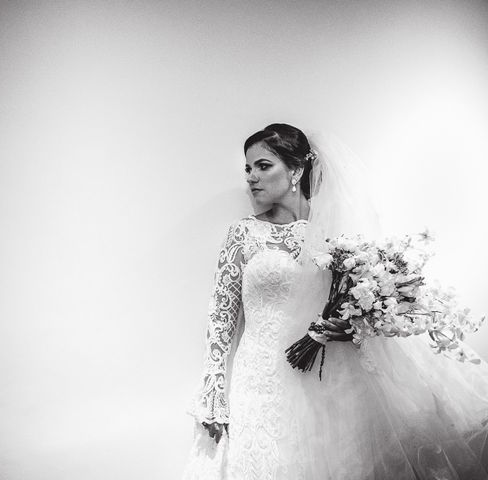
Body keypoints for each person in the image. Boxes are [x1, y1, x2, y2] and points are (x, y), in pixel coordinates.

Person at [181, 123, 488, 480]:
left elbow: (364, 300)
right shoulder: (243, 234)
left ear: (296, 170)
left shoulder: (338, 233)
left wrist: (348, 325)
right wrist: (213, 391)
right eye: (248, 168)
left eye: (263, 166)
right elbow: (221, 317)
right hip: (259, 378)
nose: (251, 177)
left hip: (329, 378)